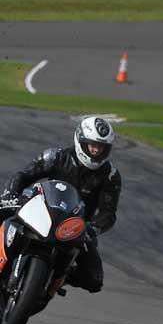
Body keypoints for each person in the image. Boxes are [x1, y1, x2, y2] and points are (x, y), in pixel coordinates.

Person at [0, 116, 121, 295]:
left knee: (94, 279)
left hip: (75, 227)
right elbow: (23, 176)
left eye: (101, 147)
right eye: (92, 145)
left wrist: (93, 228)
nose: (96, 151)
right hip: (42, 211)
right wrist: (11, 194)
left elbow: (108, 213)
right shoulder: (55, 156)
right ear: (80, 141)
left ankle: (59, 275)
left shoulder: (110, 176)